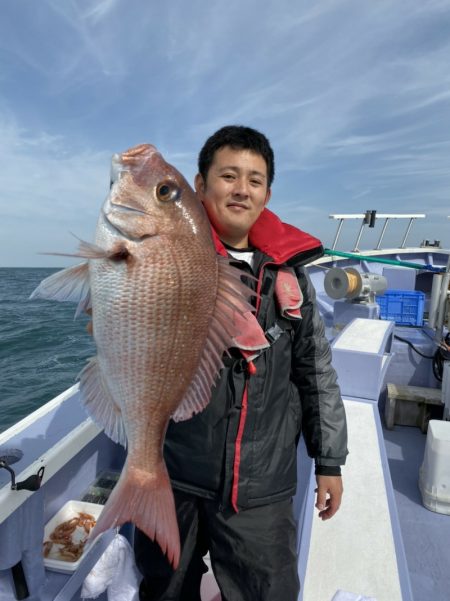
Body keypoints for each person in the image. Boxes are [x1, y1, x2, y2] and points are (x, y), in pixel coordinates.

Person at [134, 125, 348, 601]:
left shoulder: (290, 273)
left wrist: (329, 460)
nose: (241, 189)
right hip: (175, 474)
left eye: (254, 179)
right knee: (164, 588)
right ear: (200, 184)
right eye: (228, 175)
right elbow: (123, 316)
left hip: (261, 487)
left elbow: (314, 373)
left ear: (268, 193)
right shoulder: (163, 256)